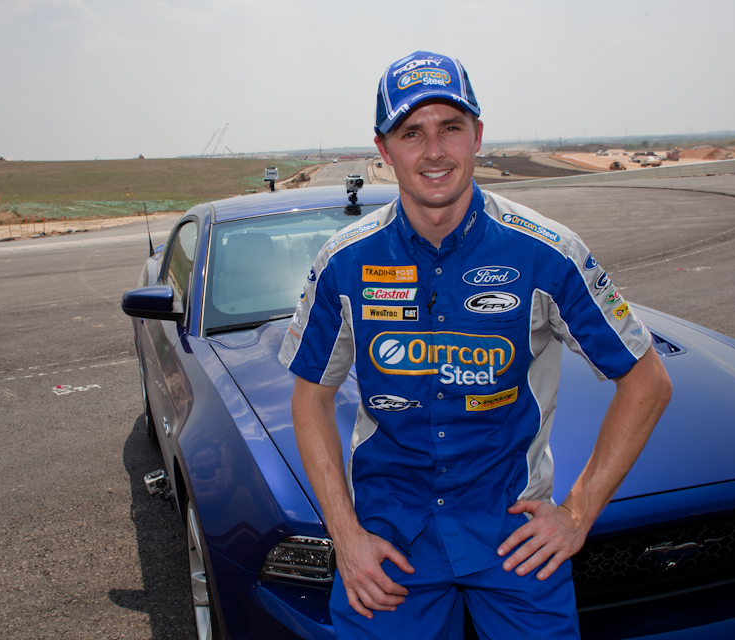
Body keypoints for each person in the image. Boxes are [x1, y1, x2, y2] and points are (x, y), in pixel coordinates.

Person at [278, 51, 672, 639]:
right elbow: (310, 398)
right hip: (387, 544)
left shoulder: (548, 253)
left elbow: (648, 383)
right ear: (383, 149)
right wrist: (346, 535)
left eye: (451, 127)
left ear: (478, 136)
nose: (434, 151)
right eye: (411, 133)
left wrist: (577, 513)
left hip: (515, 539)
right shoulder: (344, 262)